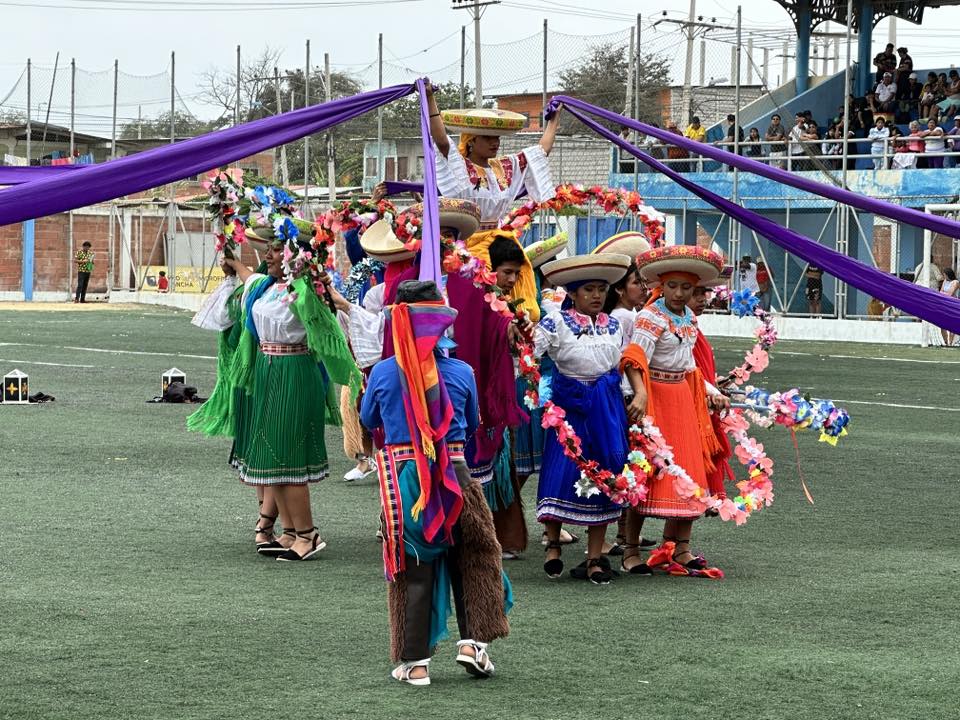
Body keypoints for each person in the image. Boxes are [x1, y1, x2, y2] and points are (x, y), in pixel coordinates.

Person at [361, 280, 510, 686]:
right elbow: (472, 421)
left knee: (414, 568)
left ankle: (415, 663)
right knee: (475, 558)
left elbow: (369, 419)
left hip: (406, 481)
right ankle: (474, 644)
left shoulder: (383, 372)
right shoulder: (462, 372)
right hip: (458, 475)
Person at [211, 232, 360, 561]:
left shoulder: (304, 291)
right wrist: (233, 260)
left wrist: (314, 280)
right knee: (271, 456)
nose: (268, 255)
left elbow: (329, 326)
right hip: (268, 370)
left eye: (277, 250)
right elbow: (249, 278)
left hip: (294, 371)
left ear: (295, 256)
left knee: (286, 456)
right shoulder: (267, 286)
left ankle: (308, 535)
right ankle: (290, 532)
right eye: (269, 249)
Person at [620, 246, 729, 575]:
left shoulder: (689, 319)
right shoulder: (650, 317)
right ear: (661, 286)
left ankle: (680, 548)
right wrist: (639, 395)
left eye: (686, 288)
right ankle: (630, 551)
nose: (679, 293)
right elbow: (633, 359)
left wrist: (712, 392)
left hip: (683, 399)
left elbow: (689, 366)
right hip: (655, 399)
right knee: (647, 473)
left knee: (690, 471)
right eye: (672, 286)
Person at [534, 252, 633, 584]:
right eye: (589, 289)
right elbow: (528, 354)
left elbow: (621, 365)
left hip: (606, 410)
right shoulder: (556, 323)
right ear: (572, 294)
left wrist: (632, 398)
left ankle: (594, 558)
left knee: (604, 475)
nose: (596, 296)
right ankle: (552, 547)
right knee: (560, 472)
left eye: (601, 289)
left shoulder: (614, 325)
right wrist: (537, 389)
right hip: (569, 409)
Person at [686, 280, 734, 505]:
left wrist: (713, 386)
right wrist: (710, 390)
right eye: (695, 293)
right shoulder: (681, 328)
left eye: (703, 293)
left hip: (703, 397)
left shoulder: (692, 327)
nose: (702, 299)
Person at [939, 269, 959, 346]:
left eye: (945, 275)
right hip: (944, 304)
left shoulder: (955, 282)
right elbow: (940, 292)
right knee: (942, 325)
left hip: (952, 305)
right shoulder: (945, 281)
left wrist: (943, 293)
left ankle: (951, 343)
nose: (944, 276)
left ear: (949, 275)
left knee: (952, 325)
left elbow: (950, 294)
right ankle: (946, 342)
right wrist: (944, 293)